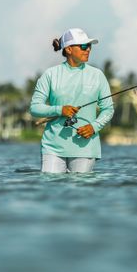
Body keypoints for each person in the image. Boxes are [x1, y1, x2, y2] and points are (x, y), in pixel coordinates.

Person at [30, 28, 114, 173]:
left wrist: (94, 127)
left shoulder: (98, 75)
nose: (88, 49)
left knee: (80, 194)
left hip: (85, 148)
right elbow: (35, 108)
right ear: (68, 49)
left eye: (89, 46)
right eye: (83, 46)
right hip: (53, 147)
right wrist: (59, 110)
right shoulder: (50, 75)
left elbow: (108, 109)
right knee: (50, 191)